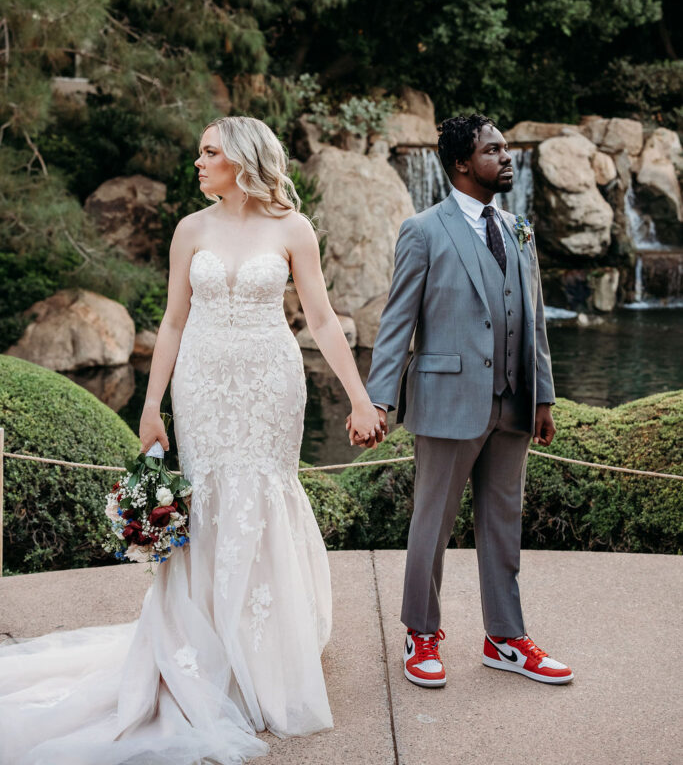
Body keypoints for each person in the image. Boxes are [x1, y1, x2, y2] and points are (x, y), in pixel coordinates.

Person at [0, 116, 383, 765]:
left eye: (209, 152)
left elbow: (318, 317)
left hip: (269, 379)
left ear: (240, 159)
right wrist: (149, 405)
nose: (198, 162)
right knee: (206, 504)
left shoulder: (293, 229)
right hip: (202, 385)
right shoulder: (190, 230)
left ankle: (264, 656)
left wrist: (358, 395)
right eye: (200, 152)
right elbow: (173, 320)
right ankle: (201, 649)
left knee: (263, 496)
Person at [363, 114, 574, 688]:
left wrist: (544, 397)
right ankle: (421, 632)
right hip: (446, 398)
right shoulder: (423, 230)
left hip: (513, 402)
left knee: (504, 523)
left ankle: (505, 637)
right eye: (494, 150)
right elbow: (396, 322)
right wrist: (377, 401)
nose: (507, 158)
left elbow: (534, 323)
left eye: (506, 149)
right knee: (431, 522)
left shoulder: (519, 228)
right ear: (462, 163)